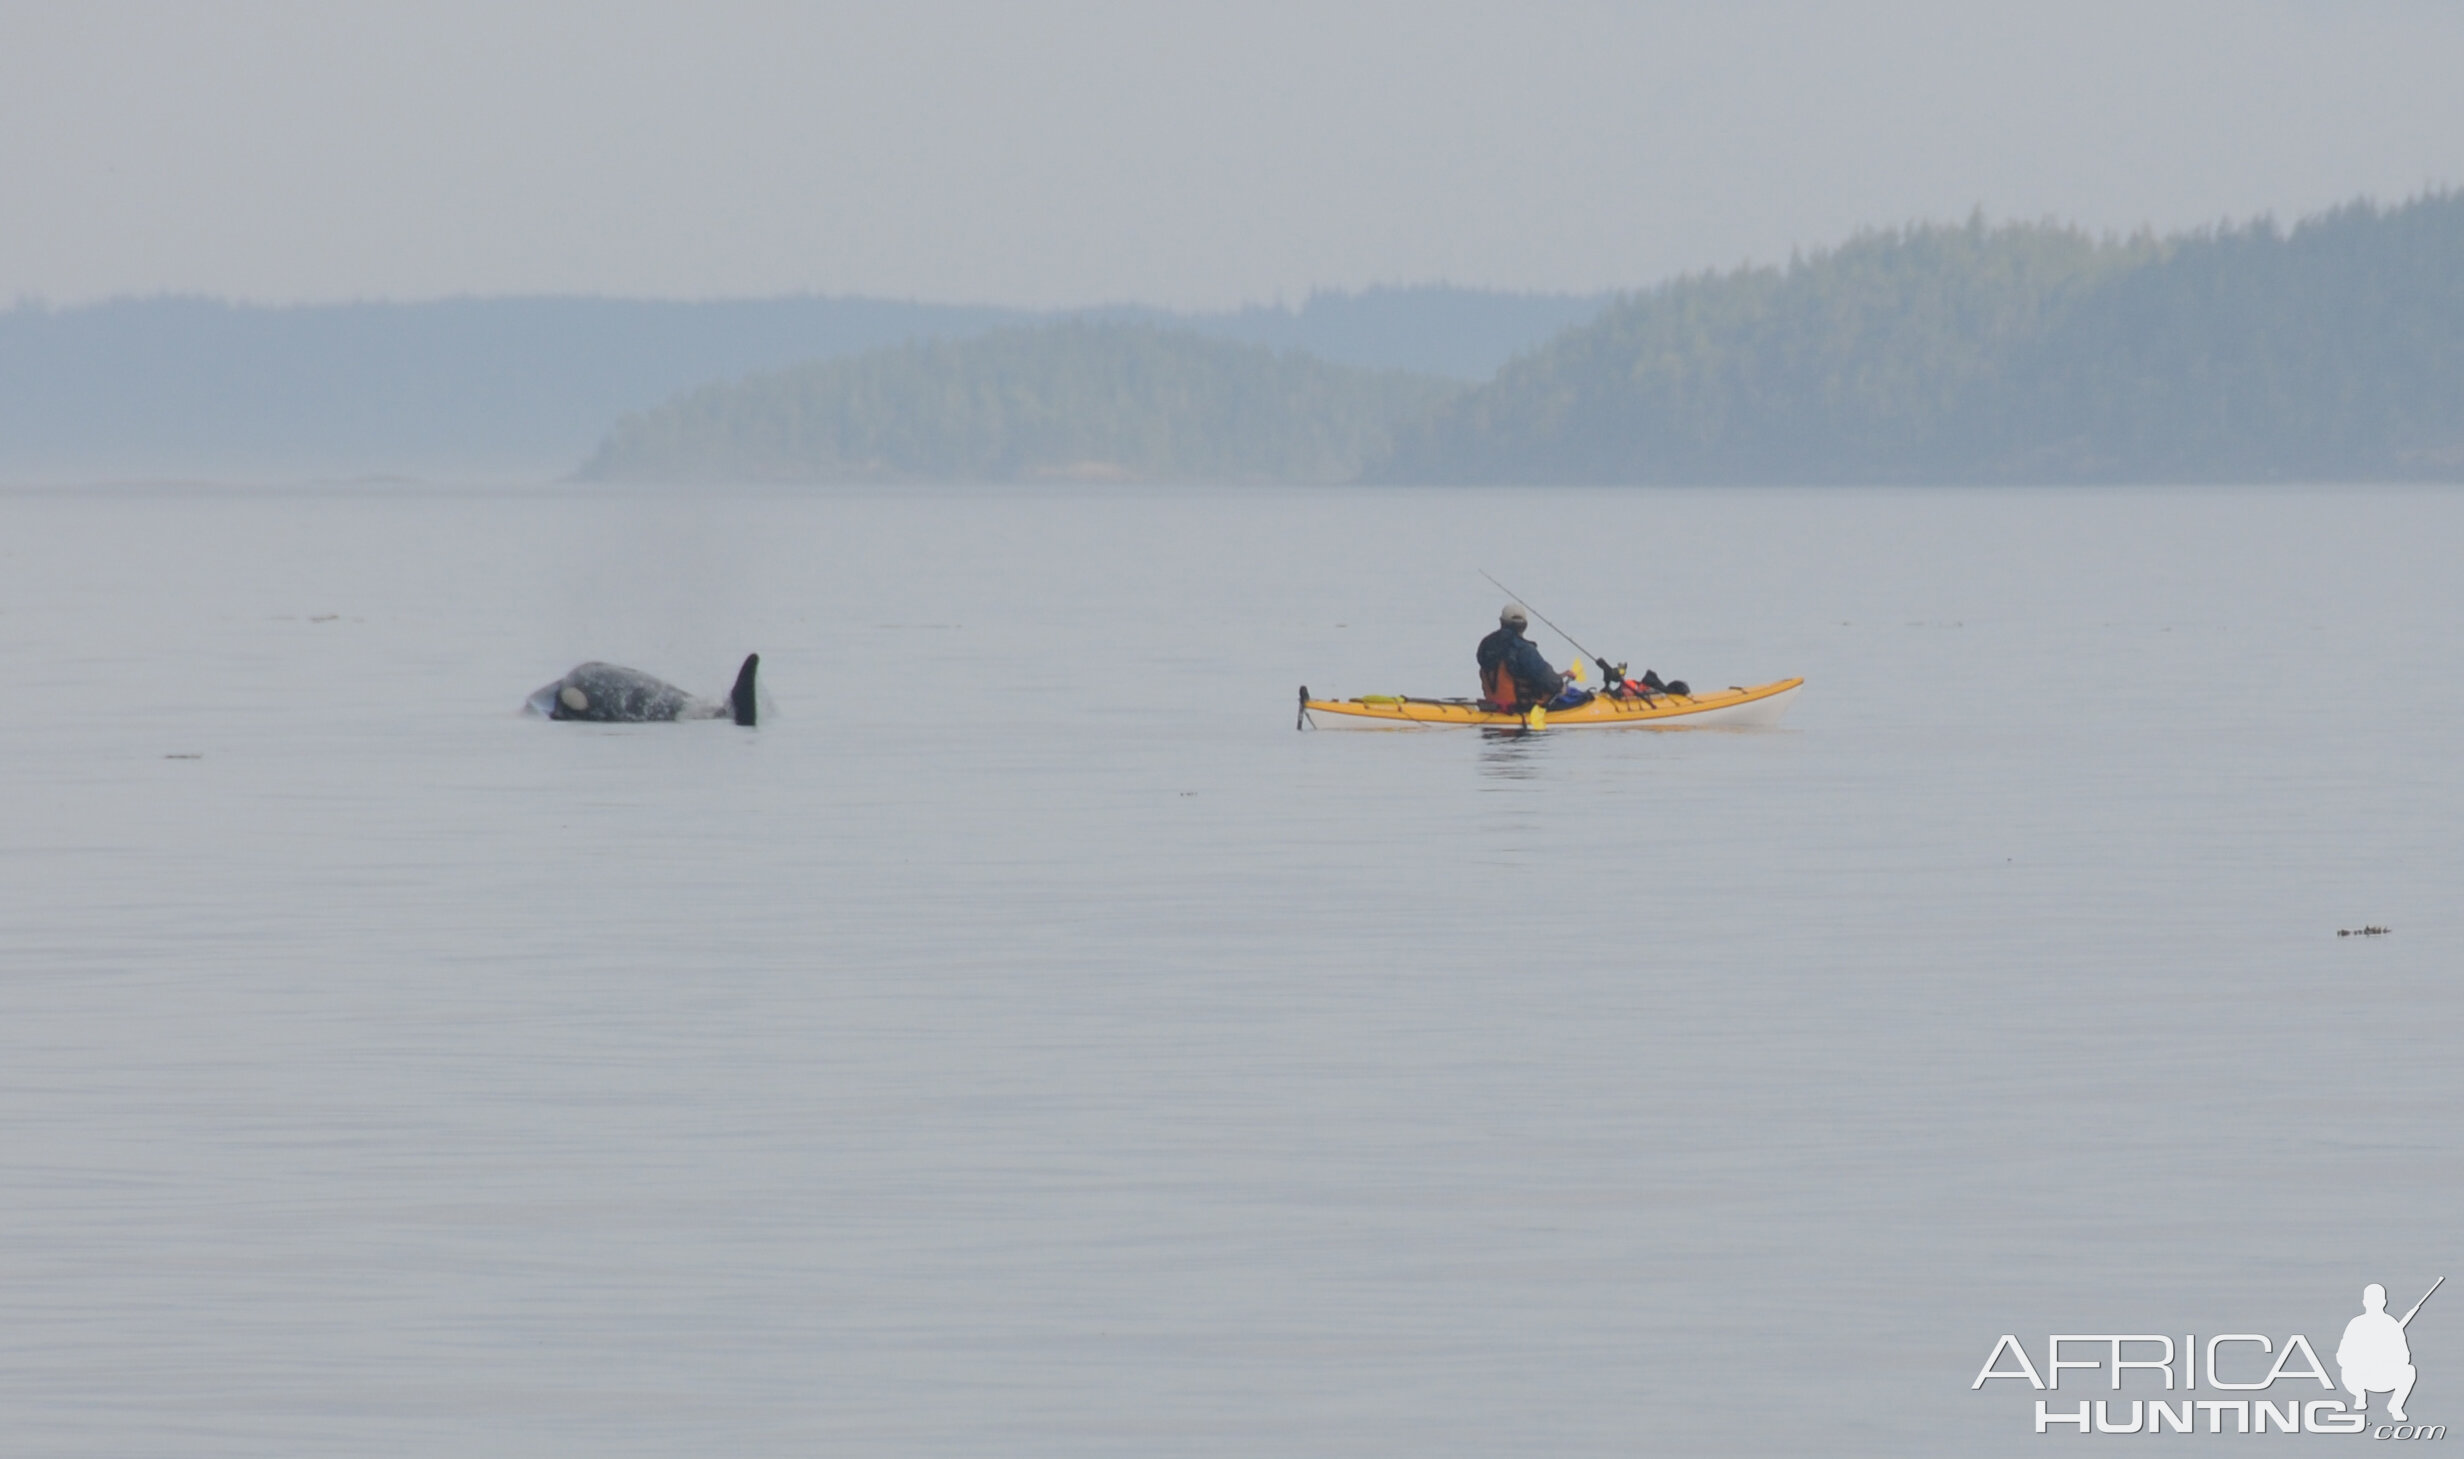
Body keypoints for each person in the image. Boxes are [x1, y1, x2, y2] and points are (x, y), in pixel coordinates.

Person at [2338, 1283, 2418, 1421]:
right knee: (2346, 1370)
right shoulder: (2356, 1324)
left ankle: (2395, 1406)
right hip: (2359, 1377)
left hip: (2384, 1376)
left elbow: (2405, 1358)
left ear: (2384, 1302)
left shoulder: (2391, 1325)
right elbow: (2342, 1356)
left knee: (2409, 1371)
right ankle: (2360, 1396)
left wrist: (2385, 1358)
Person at [1477, 604, 1571, 709]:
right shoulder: (1524, 650)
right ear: (1524, 625)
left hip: (1493, 705)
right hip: (1519, 708)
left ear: (1502, 622)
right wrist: (1560, 685)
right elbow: (1549, 682)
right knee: (1574, 696)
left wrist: (1557, 676)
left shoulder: (1486, 645)